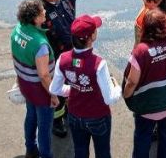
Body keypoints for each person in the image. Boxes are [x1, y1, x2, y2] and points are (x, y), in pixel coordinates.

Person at [33, 0, 130, 137]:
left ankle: (71, 109)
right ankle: (57, 119)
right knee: (56, 88)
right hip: (53, 57)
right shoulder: (36, 10)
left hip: (75, 49)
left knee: (75, 82)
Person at [49, 15, 121, 158]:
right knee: (103, 153)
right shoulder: (99, 64)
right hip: (98, 116)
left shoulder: (63, 59)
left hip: (75, 115)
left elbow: (54, 89)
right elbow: (110, 98)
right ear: (92, 37)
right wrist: (117, 86)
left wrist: (74, 89)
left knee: (80, 152)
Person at [124, 9, 166, 158]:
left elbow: (131, 82)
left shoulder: (141, 51)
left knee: (143, 138)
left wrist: (126, 95)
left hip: (148, 108)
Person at [11, 0, 58, 158]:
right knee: (44, 127)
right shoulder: (40, 44)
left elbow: (16, 55)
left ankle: (30, 148)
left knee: (31, 116)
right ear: (36, 18)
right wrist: (53, 94)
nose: (45, 11)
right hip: (41, 91)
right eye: (42, 10)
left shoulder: (18, 29)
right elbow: (44, 75)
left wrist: (18, 79)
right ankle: (46, 155)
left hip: (25, 85)